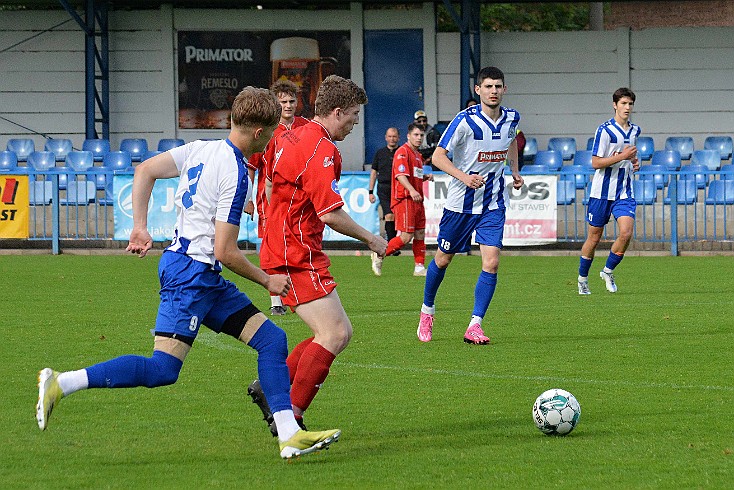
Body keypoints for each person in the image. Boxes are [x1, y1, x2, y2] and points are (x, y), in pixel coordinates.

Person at [35, 87, 340, 460]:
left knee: (271, 340)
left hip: (199, 274)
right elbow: (226, 251)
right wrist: (267, 280)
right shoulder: (235, 173)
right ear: (260, 133)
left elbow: (145, 169)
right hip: (190, 277)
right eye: (273, 131)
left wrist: (140, 227)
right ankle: (61, 383)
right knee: (163, 369)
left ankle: (289, 434)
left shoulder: (201, 148)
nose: (275, 137)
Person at [247, 75, 387, 435]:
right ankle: (289, 418)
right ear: (337, 112)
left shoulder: (291, 132)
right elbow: (329, 213)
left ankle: (272, 386)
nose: (356, 123)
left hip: (286, 247)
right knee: (335, 334)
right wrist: (371, 239)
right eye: (354, 116)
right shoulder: (321, 150)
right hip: (296, 253)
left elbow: (264, 170)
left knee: (334, 331)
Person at [416, 66, 522, 345]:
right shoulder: (464, 121)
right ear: (478, 90)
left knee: (492, 262)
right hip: (460, 204)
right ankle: (427, 310)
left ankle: (475, 325)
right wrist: (464, 177)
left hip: (494, 203)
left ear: (504, 89)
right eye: (488, 86)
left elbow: (511, 141)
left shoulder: (512, 118)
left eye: (498, 86)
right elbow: (438, 157)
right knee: (443, 259)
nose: (494, 91)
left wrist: (514, 170)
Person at [246, 79, 310, 316]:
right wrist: (248, 199)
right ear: (275, 103)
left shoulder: (305, 127)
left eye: (292, 100)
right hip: (270, 200)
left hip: (299, 201)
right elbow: (252, 167)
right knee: (273, 249)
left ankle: (299, 296)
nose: (288, 105)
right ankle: (276, 301)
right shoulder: (267, 130)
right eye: (283, 101)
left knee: (299, 247)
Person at [577, 88, 640, 295]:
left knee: (626, 232)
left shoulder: (634, 131)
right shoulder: (604, 130)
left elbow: (629, 158)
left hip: (624, 191)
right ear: (615, 105)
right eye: (623, 103)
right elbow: (596, 162)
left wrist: (633, 162)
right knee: (594, 238)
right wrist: (623, 156)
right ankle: (582, 278)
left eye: (630, 104)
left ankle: (608, 270)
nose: (627, 107)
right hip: (601, 193)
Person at [371, 123, 431, 277]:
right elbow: (400, 175)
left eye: (421, 135)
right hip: (405, 198)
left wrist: (424, 177)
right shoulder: (402, 152)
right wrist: (411, 190)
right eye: (416, 135)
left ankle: (419, 267)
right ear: (408, 136)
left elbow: (413, 175)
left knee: (420, 233)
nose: (419, 138)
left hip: (417, 199)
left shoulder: (418, 155)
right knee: (405, 236)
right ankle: (379, 253)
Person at [368, 127, 400, 245]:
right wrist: (370, 191)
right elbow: (373, 172)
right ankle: (391, 245)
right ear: (386, 138)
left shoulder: (402, 152)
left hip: (398, 189)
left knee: (396, 218)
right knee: (389, 215)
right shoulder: (380, 153)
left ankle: (393, 243)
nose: (392, 139)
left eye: (394, 136)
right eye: (390, 136)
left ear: (398, 138)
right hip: (384, 188)